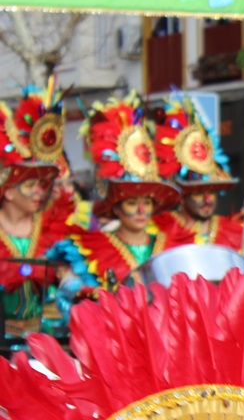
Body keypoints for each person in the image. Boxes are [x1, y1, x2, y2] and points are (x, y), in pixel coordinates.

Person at [48, 95, 188, 325]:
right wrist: (90, 297)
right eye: (133, 203)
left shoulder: (172, 245)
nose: (142, 210)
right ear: (117, 208)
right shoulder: (90, 248)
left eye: (147, 202)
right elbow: (66, 299)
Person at [0, 84, 77, 341]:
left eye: (40, 186)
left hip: (45, 344)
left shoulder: (54, 228)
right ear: (8, 192)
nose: (38, 193)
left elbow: (68, 287)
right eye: (30, 186)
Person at [150, 96, 244, 258]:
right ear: (182, 197)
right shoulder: (159, 230)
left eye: (211, 192)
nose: (207, 199)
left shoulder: (235, 232)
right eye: (198, 193)